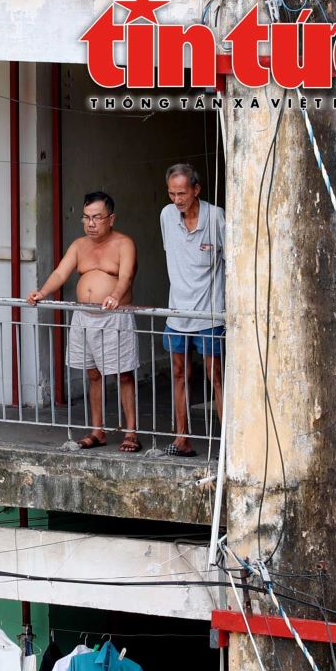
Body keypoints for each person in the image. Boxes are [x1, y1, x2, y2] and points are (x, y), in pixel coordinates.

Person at [28, 191, 140, 452]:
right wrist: (42, 292)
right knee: (93, 373)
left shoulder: (124, 243)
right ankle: (98, 430)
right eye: (86, 217)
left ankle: (131, 432)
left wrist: (115, 295)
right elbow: (60, 273)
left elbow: (125, 278)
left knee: (123, 374)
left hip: (114, 316)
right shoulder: (79, 245)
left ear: (111, 218)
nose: (91, 223)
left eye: (97, 217)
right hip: (84, 317)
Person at [158, 163, 225, 457]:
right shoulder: (166, 215)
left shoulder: (216, 217)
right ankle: (181, 437)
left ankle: (229, 445)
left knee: (216, 376)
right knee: (178, 373)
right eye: (172, 194)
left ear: (196, 189)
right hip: (177, 315)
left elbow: (231, 260)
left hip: (210, 314)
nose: (177, 200)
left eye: (182, 193)